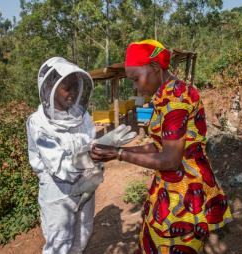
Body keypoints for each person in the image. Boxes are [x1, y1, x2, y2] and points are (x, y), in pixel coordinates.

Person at [91, 40, 232, 253]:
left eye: (136, 79)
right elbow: (158, 146)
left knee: (173, 245)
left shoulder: (176, 99)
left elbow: (169, 159)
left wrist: (120, 154)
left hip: (184, 193)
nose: (136, 87)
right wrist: (116, 153)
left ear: (156, 68)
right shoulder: (164, 95)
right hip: (170, 186)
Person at [26, 57, 96, 254]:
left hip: (85, 186)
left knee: (82, 235)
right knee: (59, 244)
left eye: (76, 87)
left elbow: (91, 144)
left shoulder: (83, 116)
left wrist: (97, 165)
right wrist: (95, 156)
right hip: (57, 193)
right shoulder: (38, 123)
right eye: (68, 88)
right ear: (51, 87)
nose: (73, 93)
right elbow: (60, 167)